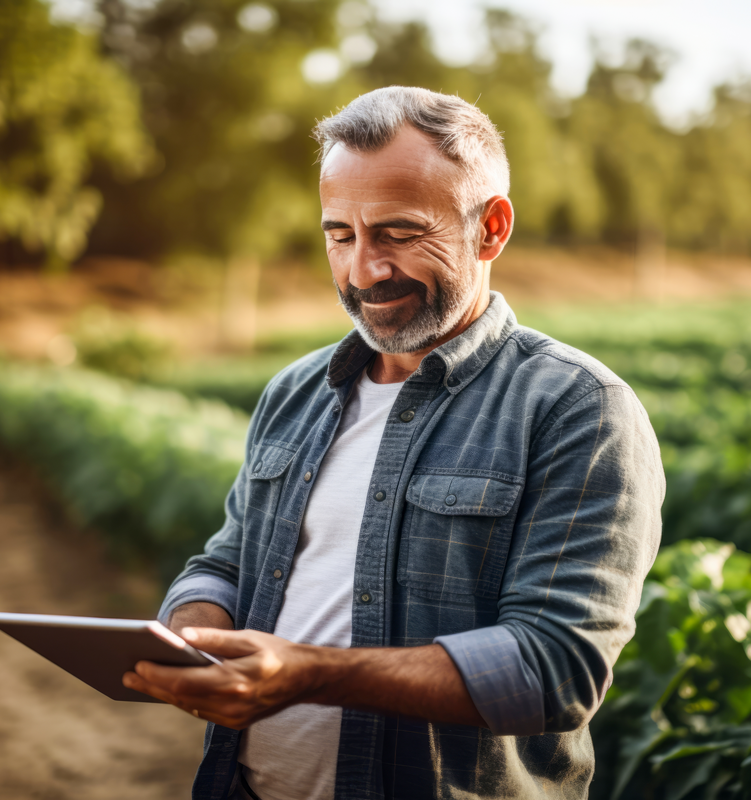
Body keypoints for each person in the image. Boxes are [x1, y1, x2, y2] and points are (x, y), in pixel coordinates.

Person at [123, 86, 664, 800]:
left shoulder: (577, 408)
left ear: (491, 228)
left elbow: (553, 666)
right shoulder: (295, 390)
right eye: (340, 235)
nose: (363, 271)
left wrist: (309, 673)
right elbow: (228, 561)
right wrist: (194, 634)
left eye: (400, 234)